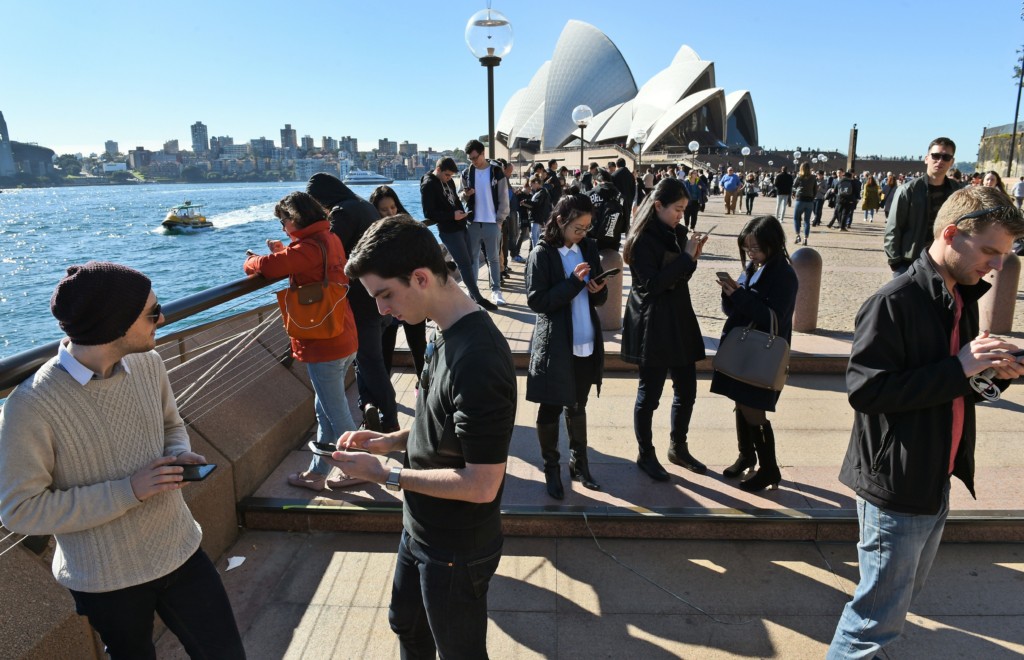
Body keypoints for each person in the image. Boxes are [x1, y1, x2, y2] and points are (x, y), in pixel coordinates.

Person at [0, 262, 245, 659]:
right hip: (105, 580)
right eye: (152, 312)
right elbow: (19, 511)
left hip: (180, 549)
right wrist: (128, 491)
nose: (162, 318)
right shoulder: (30, 406)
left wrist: (175, 456)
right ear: (115, 323)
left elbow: (171, 424)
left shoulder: (149, 363)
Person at [827, 187, 1024, 659]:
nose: (997, 266)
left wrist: (996, 376)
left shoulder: (959, 295)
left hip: (934, 475)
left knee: (893, 604)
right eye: (990, 252)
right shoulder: (894, 301)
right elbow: (867, 391)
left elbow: (951, 388)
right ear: (952, 235)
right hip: (896, 483)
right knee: (875, 620)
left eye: (1005, 256)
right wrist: (960, 367)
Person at [330, 215, 517, 659]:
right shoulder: (444, 329)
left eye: (385, 295)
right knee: (407, 626)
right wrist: (390, 441)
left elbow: (482, 483)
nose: (380, 310)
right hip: (421, 528)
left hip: (456, 545)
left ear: (421, 277)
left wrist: (387, 476)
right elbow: (441, 421)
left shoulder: (479, 359)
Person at [245, 192, 363, 491]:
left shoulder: (309, 246)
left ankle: (358, 467)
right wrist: (285, 250)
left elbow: (268, 267)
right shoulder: (327, 238)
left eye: (284, 221)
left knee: (336, 415)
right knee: (324, 410)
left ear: (295, 218)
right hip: (342, 333)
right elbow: (306, 264)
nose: (283, 227)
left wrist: (252, 262)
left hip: (324, 342)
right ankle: (317, 472)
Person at [621, 178, 709, 481]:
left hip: (679, 317)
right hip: (653, 323)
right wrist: (685, 257)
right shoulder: (642, 239)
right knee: (650, 394)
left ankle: (678, 447)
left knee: (687, 389)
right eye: (677, 209)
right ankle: (645, 452)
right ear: (658, 206)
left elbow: (680, 278)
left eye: (684, 210)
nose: (681, 216)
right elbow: (653, 285)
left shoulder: (677, 233)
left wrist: (691, 256)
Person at [525, 193, 608, 499]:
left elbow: (598, 297)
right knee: (550, 408)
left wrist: (599, 289)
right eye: (578, 227)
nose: (583, 234)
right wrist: (573, 283)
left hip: (586, 339)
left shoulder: (588, 246)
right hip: (556, 345)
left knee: (578, 405)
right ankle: (551, 468)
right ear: (560, 221)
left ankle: (580, 463)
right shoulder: (543, 253)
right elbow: (538, 301)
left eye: (587, 227)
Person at [710, 216, 798, 492]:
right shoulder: (754, 266)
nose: (751, 253)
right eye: (747, 248)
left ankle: (769, 468)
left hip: (761, 353)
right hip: (744, 351)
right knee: (741, 403)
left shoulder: (783, 273)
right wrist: (729, 293)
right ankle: (746, 455)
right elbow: (736, 308)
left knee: (754, 409)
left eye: (756, 248)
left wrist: (738, 296)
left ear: (773, 244)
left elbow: (772, 316)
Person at [307, 173, 400, 431]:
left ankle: (390, 420)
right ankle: (369, 407)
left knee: (370, 362)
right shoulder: (363, 206)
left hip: (360, 301)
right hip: (377, 294)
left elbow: (329, 251)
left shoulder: (343, 213)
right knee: (365, 359)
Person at [419, 158, 498, 311]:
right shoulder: (428, 184)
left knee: (469, 260)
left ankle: (468, 294)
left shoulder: (448, 181)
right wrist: (451, 216)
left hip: (461, 225)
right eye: (447, 175)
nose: (449, 178)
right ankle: (478, 298)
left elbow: (454, 200)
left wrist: (465, 200)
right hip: (449, 229)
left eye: (451, 176)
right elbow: (429, 213)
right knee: (465, 264)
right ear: (438, 169)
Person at [369, 185, 429, 377]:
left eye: (393, 207)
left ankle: (425, 386)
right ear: (375, 211)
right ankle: (386, 397)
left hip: (411, 296)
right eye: (384, 209)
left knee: (419, 346)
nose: (390, 213)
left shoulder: (409, 228)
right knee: (385, 348)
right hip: (388, 300)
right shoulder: (371, 235)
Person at [884, 137, 960, 276]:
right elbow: (893, 227)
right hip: (910, 261)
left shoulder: (957, 192)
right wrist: (896, 263)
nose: (940, 160)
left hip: (944, 262)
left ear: (952, 162)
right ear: (926, 158)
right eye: (936, 156)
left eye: (946, 157)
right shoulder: (908, 190)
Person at [461, 139, 511, 307]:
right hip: (473, 222)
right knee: (473, 259)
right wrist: (466, 194)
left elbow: (504, 197)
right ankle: (473, 292)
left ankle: (496, 290)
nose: (473, 161)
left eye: (475, 157)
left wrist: (499, 221)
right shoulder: (467, 173)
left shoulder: (497, 171)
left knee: (494, 259)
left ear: (483, 153)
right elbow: (461, 195)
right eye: (470, 159)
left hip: (492, 222)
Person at [791, 163, 817, 244]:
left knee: (796, 218)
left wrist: (794, 193)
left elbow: (794, 187)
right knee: (807, 220)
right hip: (809, 201)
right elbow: (815, 189)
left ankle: (798, 235)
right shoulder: (813, 177)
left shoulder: (799, 177)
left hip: (800, 199)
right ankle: (805, 238)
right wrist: (813, 197)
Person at [611, 156, 637, 226]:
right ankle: (627, 230)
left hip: (618, 200)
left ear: (617, 165)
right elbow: (633, 189)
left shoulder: (614, 175)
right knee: (627, 217)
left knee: (618, 218)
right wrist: (631, 198)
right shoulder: (631, 175)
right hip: (628, 199)